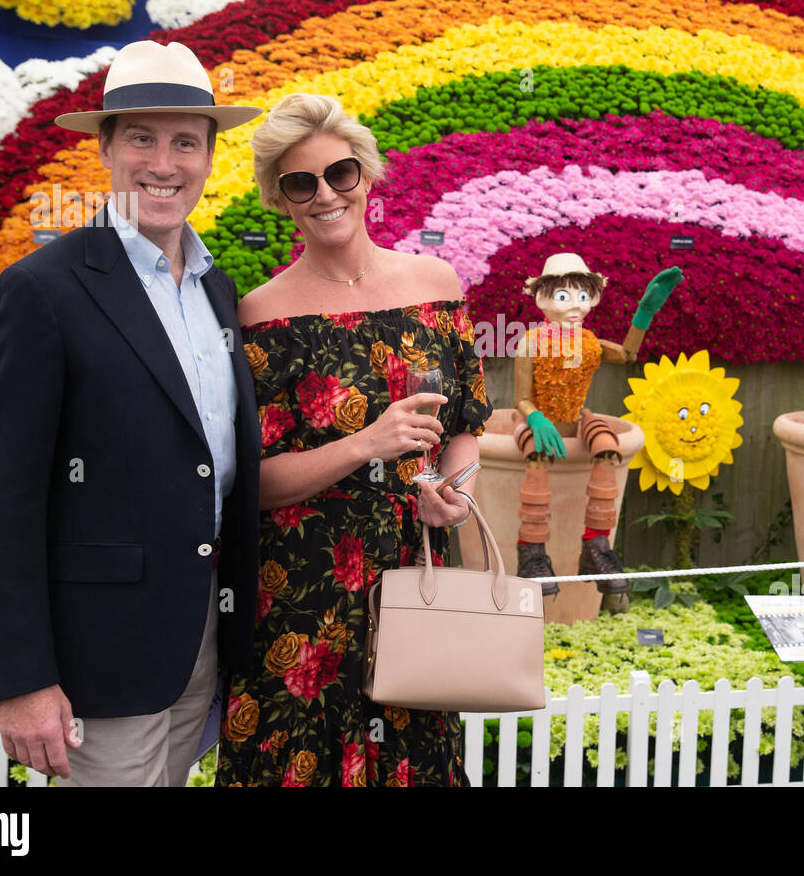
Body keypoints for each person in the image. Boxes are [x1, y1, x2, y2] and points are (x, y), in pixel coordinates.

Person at [0, 40, 264, 786]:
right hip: (101, 654)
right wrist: (24, 679)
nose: (165, 162)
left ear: (209, 156)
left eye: (186, 142)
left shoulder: (216, 289)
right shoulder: (43, 290)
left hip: (201, 640)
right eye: (142, 137)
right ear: (103, 147)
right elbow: (0, 498)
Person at [216, 93, 493, 787]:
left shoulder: (435, 287)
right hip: (299, 603)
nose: (324, 194)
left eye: (339, 173)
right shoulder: (260, 315)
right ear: (279, 199)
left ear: (366, 175)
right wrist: (365, 442)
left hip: (413, 584)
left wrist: (452, 497)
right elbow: (249, 484)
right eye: (299, 182)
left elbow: (465, 432)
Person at [511, 254, 682, 613]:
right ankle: (532, 554)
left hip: (577, 417)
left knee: (607, 447)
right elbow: (521, 398)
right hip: (538, 421)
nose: (575, 305)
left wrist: (645, 313)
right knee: (537, 457)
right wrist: (536, 419)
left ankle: (596, 546)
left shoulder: (590, 343)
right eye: (563, 296)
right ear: (542, 298)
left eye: (583, 296)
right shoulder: (530, 343)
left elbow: (628, 354)